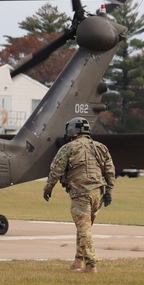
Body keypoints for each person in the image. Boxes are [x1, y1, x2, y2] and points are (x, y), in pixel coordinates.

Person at [42, 117, 116, 273]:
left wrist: (48, 188)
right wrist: (108, 192)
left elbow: (56, 170)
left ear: (72, 131)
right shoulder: (101, 147)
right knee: (84, 228)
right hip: (98, 194)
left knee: (84, 230)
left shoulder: (69, 148)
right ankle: (78, 260)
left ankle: (91, 264)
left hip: (81, 193)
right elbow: (110, 171)